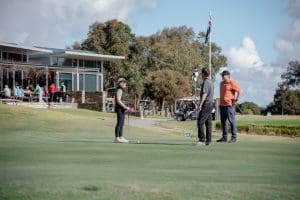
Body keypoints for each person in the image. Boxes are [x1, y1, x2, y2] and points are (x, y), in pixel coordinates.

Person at [217, 70, 241, 143]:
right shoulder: (221, 83)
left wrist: (236, 99)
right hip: (222, 105)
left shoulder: (232, 83)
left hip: (229, 105)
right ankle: (224, 138)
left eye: (223, 75)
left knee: (232, 121)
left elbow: (239, 90)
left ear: (228, 76)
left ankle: (234, 138)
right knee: (223, 122)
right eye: (221, 75)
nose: (222, 77)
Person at [196, 67, 214, 146]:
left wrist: (200, 104)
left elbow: (205, 94)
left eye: (201, 73)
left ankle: (202, 140)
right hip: (210, 104)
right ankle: (208, 141)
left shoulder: (206, 82)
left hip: (206, 104)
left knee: (200, 122)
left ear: (203, 74)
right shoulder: (211, 82)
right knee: (208, 123)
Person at [114, 78, 130, 143]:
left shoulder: (123, 90)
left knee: (122, 123)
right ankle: (117, 138)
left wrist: (125, 107)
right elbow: (118, 100)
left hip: (122, 108)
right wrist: (125, 107)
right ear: (121, 83)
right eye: (124, 83)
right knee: (119, 122)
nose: (125, 84)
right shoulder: (119, 90)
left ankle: (121, 137)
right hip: (119, 108)